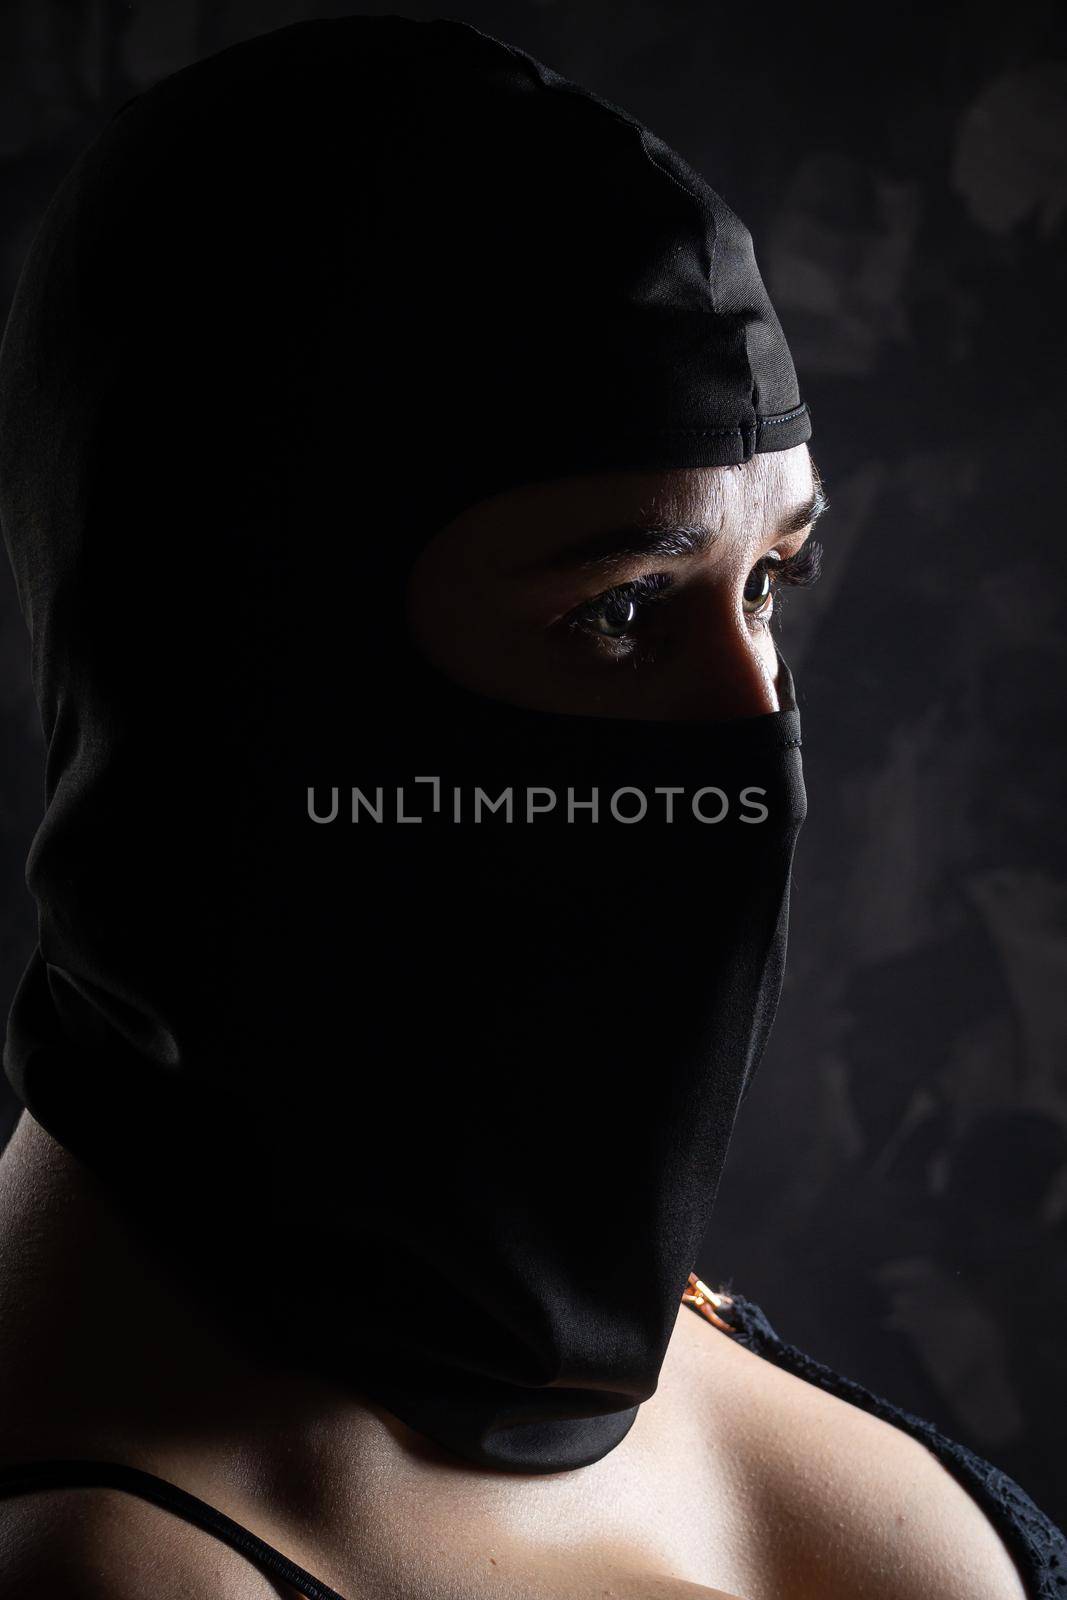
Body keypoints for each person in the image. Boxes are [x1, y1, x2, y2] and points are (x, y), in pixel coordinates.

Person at [0, 16, 1061, 1600]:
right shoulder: (108, 1558)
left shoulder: (595, 1318)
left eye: (771, 583)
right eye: (620, 615)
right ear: (257, 664)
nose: (756, 744)